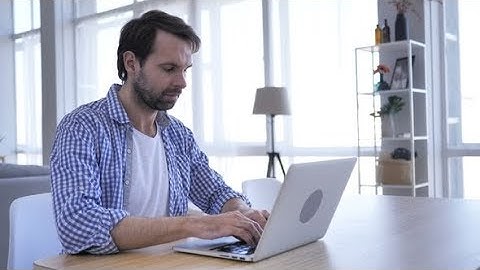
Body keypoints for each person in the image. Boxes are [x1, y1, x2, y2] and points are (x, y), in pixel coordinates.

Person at [50, 10, 269, 255]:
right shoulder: (82, 127)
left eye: (185, 69)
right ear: (131, 63)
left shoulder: (178, 135)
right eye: (169, 68)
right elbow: (77, 223)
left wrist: (244, 213)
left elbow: (216, 192)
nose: (182, 82)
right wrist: (194, 224)